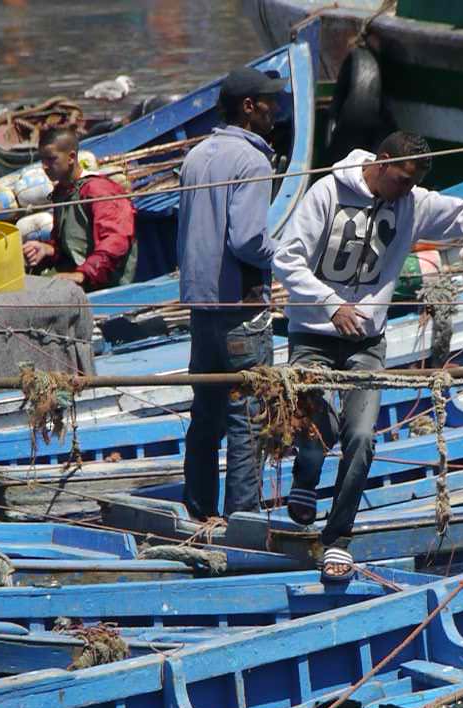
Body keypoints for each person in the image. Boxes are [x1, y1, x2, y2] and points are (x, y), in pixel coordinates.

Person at [273, 131, 463, 580]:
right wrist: (332, 305)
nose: (406, 191)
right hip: (312, 334)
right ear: (382, 162)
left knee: (363, 436)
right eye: (402, 180)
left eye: (413, 184)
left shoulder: (411, 202)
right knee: (310, 418)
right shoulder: (326, 193)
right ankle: (307, 474)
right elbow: (286, 259)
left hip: (367, 342)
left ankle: (338, 538)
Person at [177, 66, 287, 519]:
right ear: (249, 107)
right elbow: (247, 241)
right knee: (249, 420)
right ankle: (243, 516)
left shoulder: (196, 155)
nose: (276, 111)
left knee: (205, 418)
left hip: (201, 311)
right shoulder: (253, 161)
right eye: (270, 103)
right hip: (241, 311)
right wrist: (283, 255)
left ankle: (199, 513)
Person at [22, 127, 136, 291]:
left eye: (51, 159)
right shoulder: (63, 192)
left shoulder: (99, 191)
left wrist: (82, 275)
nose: (44, 166)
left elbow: (115, 241)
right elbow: (72, 244)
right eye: (42, 160)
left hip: (106, 285)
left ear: (71, 157)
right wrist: (48, 249)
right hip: (78, 278)